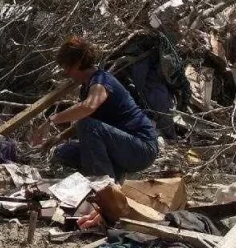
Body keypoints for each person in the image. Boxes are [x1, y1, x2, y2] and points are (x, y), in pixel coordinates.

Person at [50, 37, 159, 182]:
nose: (67, 73)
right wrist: (59, 137)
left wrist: (52, 120)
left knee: (87, 126)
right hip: (121, 146)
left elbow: (88, 107)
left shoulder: (101, 80)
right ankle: (115, 174)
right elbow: (85, 120)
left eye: (67, 68)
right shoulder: (87, 87)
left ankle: (104, 186)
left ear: (76, 64)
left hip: (142, 148)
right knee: (63, 152)